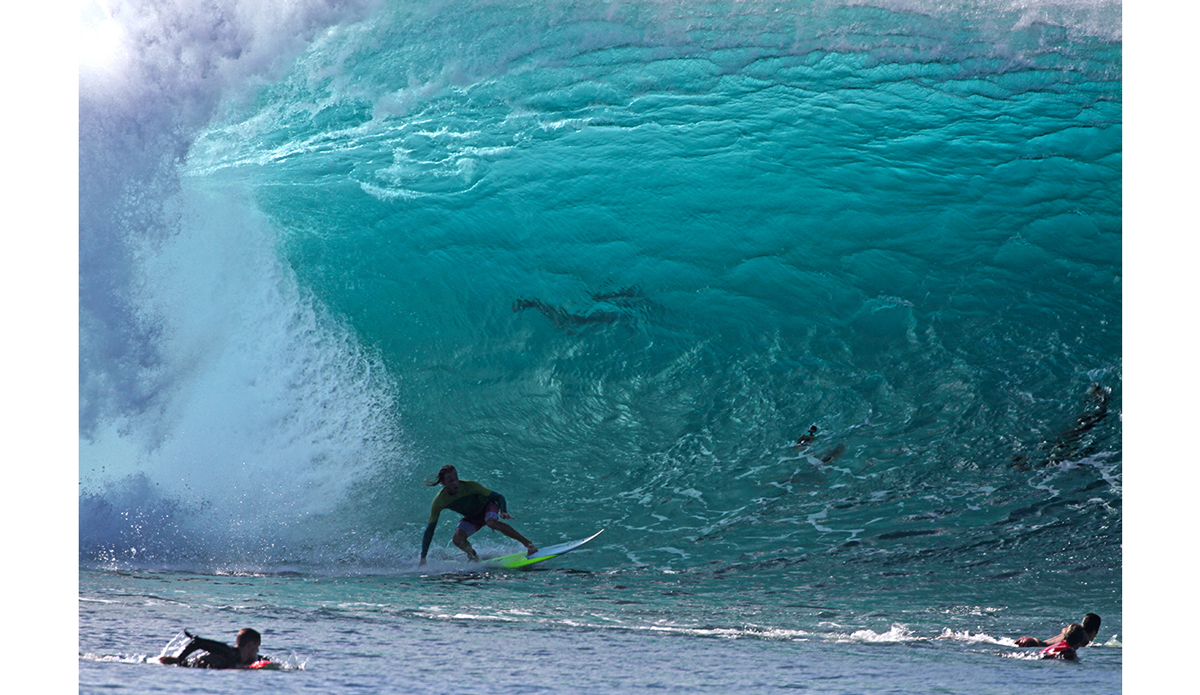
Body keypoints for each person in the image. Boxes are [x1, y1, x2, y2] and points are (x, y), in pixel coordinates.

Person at [419, 465, 537, 566]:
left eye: (456, 479)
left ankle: (529, 544)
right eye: (451, 481)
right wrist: (423, 557)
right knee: (457, 539)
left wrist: (503, 510)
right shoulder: (440, 501)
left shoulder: (470, 486)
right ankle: (473, 557)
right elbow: (430, 529)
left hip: (488, 507)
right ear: (444, 483)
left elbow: (498, 497)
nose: (456, 483)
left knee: (491, 522)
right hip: (473, 517)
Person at [158, 628, 267, 669]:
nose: (257, 651)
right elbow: (197, 642)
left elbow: (262, 659)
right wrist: (179, 659)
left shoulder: (241, 658)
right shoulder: (227, 652)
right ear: (250, 646)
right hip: (186, 665)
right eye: (257, 647)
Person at [1015, 613, 1102, 648]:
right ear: (1095, 632)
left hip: (1032, 641)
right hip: (1035, 645)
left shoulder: (1070, 630)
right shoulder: (1082, 639)